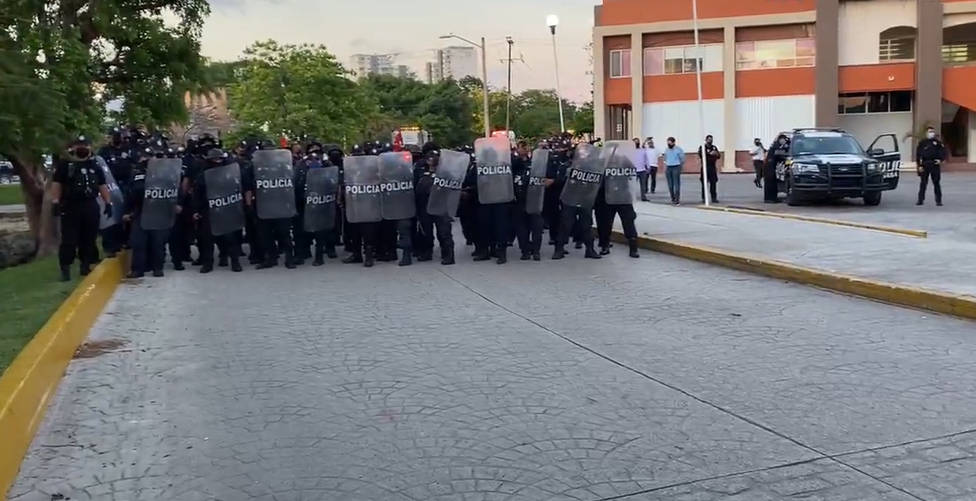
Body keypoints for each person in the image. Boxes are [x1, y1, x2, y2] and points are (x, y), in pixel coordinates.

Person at [51, 135, 114, 281]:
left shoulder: (94, 165)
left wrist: (108, 203)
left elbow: (102, 185)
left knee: (89, 238)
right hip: (71, 205)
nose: (83, 148)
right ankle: (65, 269)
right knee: (69, 240)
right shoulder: (65, 165)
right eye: (79, 145)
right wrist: (55, 201)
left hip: (90, 205)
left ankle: (85, 265)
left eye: (85, 145)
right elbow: (57, 184)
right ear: (72, 147)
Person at [124, 147, 173, 278]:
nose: (148, 159)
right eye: (145, 157)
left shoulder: (165, 174)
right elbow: (129, 194)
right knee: (138, 242)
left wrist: (175, 205)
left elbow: (173, 191)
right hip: (141, 211)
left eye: (151, 156)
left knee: (158, 242)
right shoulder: (137, 174)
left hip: (159, 211)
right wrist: (127, 211)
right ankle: (137, 269)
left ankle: (158, 268)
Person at [193, 148, 245, 273]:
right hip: (209, 209)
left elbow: (238, 188)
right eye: (214, 159)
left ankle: (234, 261)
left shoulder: (229, 174)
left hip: (227, 207)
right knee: (207, 239)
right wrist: (196, 210)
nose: (217, 161)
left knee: (230, 237)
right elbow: (197, 194)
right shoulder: (203, 175)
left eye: (219, 159)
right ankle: (207, 263)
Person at [414, 146, 456, 265]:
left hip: (441, 206)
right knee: (425, 232)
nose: (431, 160)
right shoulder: (421, 172)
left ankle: (448, 255)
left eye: (434, 158)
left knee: (444, 232)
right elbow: (415, 187)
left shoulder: (445, 173)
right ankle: (426, 252)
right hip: (424, 206)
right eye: (429, 158)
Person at [916, 126, 947, 206]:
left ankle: (938, 201)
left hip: (934, 164)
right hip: (925, 164)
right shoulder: (922, 143)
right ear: (926, 133)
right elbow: (918, 155)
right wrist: (919, 165)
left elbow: (944, 152)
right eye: (930, 132)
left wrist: (941, 160)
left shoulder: (938, 143)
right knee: (923, 183)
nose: (931, 133)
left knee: (936, 183)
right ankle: (920, 200)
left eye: (932, 131)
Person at [764, 134, 789, 203]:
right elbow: (780, 155)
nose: (784, 142)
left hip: (770, 166)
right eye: (784, 140)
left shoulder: (776, 145)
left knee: (773, 183)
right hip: (770, 166)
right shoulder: (776, 146)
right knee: (770, 183)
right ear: (780, 139)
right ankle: (770, 199)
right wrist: (786, 150)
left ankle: (772, 198)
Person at [697, 135, 720, 204]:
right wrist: (710, 153)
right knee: (704, 183)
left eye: (711, 139)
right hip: (705, 167)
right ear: (706, 140)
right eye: (709, 139)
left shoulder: (714, 147)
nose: (710, 141)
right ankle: (704, 198)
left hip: (712, 167)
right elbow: (701, 154)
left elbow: (718, 155)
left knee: (713, 183)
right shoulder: (702, 147)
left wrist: (715, 154)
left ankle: (714, 198)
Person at [663, 137, 685, 205]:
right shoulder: (666, 149)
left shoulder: (678, 149)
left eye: (670, 143)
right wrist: (665, 167)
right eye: (668, 143)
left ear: (673, 142)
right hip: (668, 167)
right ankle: (672, 198)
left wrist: (680, 167)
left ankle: (677, 199)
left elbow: (682, 159)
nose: (668, 144)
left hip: (676, 166)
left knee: (676, 184)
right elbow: (665, 159)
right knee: (670, 185)